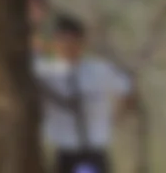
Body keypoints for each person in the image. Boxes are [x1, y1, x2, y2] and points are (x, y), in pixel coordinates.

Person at [35, 13, 134, 173]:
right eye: (62, 40)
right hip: (65, 151)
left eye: (73, 40)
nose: (68, 46)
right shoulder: (45, 74)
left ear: (82, 42)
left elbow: (127, 89)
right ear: (54, 43)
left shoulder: (98, 70)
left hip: (95, 150)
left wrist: (116, 118)